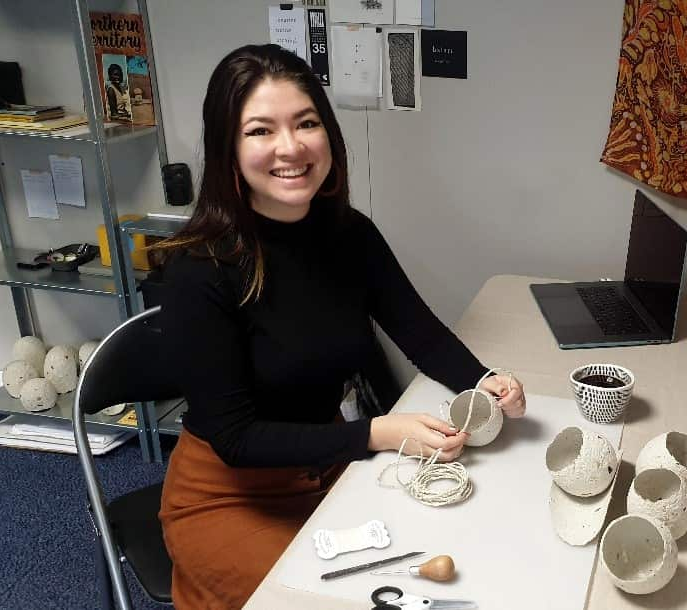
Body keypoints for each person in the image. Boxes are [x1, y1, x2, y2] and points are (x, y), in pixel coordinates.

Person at [154, 44, 526, 609]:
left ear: (328, 132)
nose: (290, 147)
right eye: (260, 130)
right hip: (228, 499)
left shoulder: (350, 233)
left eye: (306, 123)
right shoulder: (199, 269)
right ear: (228, 147)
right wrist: (376, 435)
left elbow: (420, 333)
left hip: (328, 468)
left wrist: (483, 382)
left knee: (458, 560)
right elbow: (235, 439)